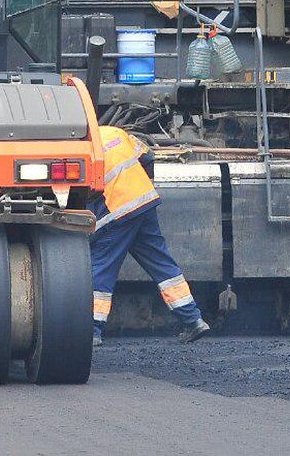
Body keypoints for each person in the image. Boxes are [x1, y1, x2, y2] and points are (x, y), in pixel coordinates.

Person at [90, 125, 210, 345]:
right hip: (144, 203)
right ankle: (193, 320)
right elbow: (148, 156)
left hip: (117, 211)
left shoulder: (82, 145)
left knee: (101, 266)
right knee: (162, 264)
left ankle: (93, 330)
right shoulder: (115, 132)